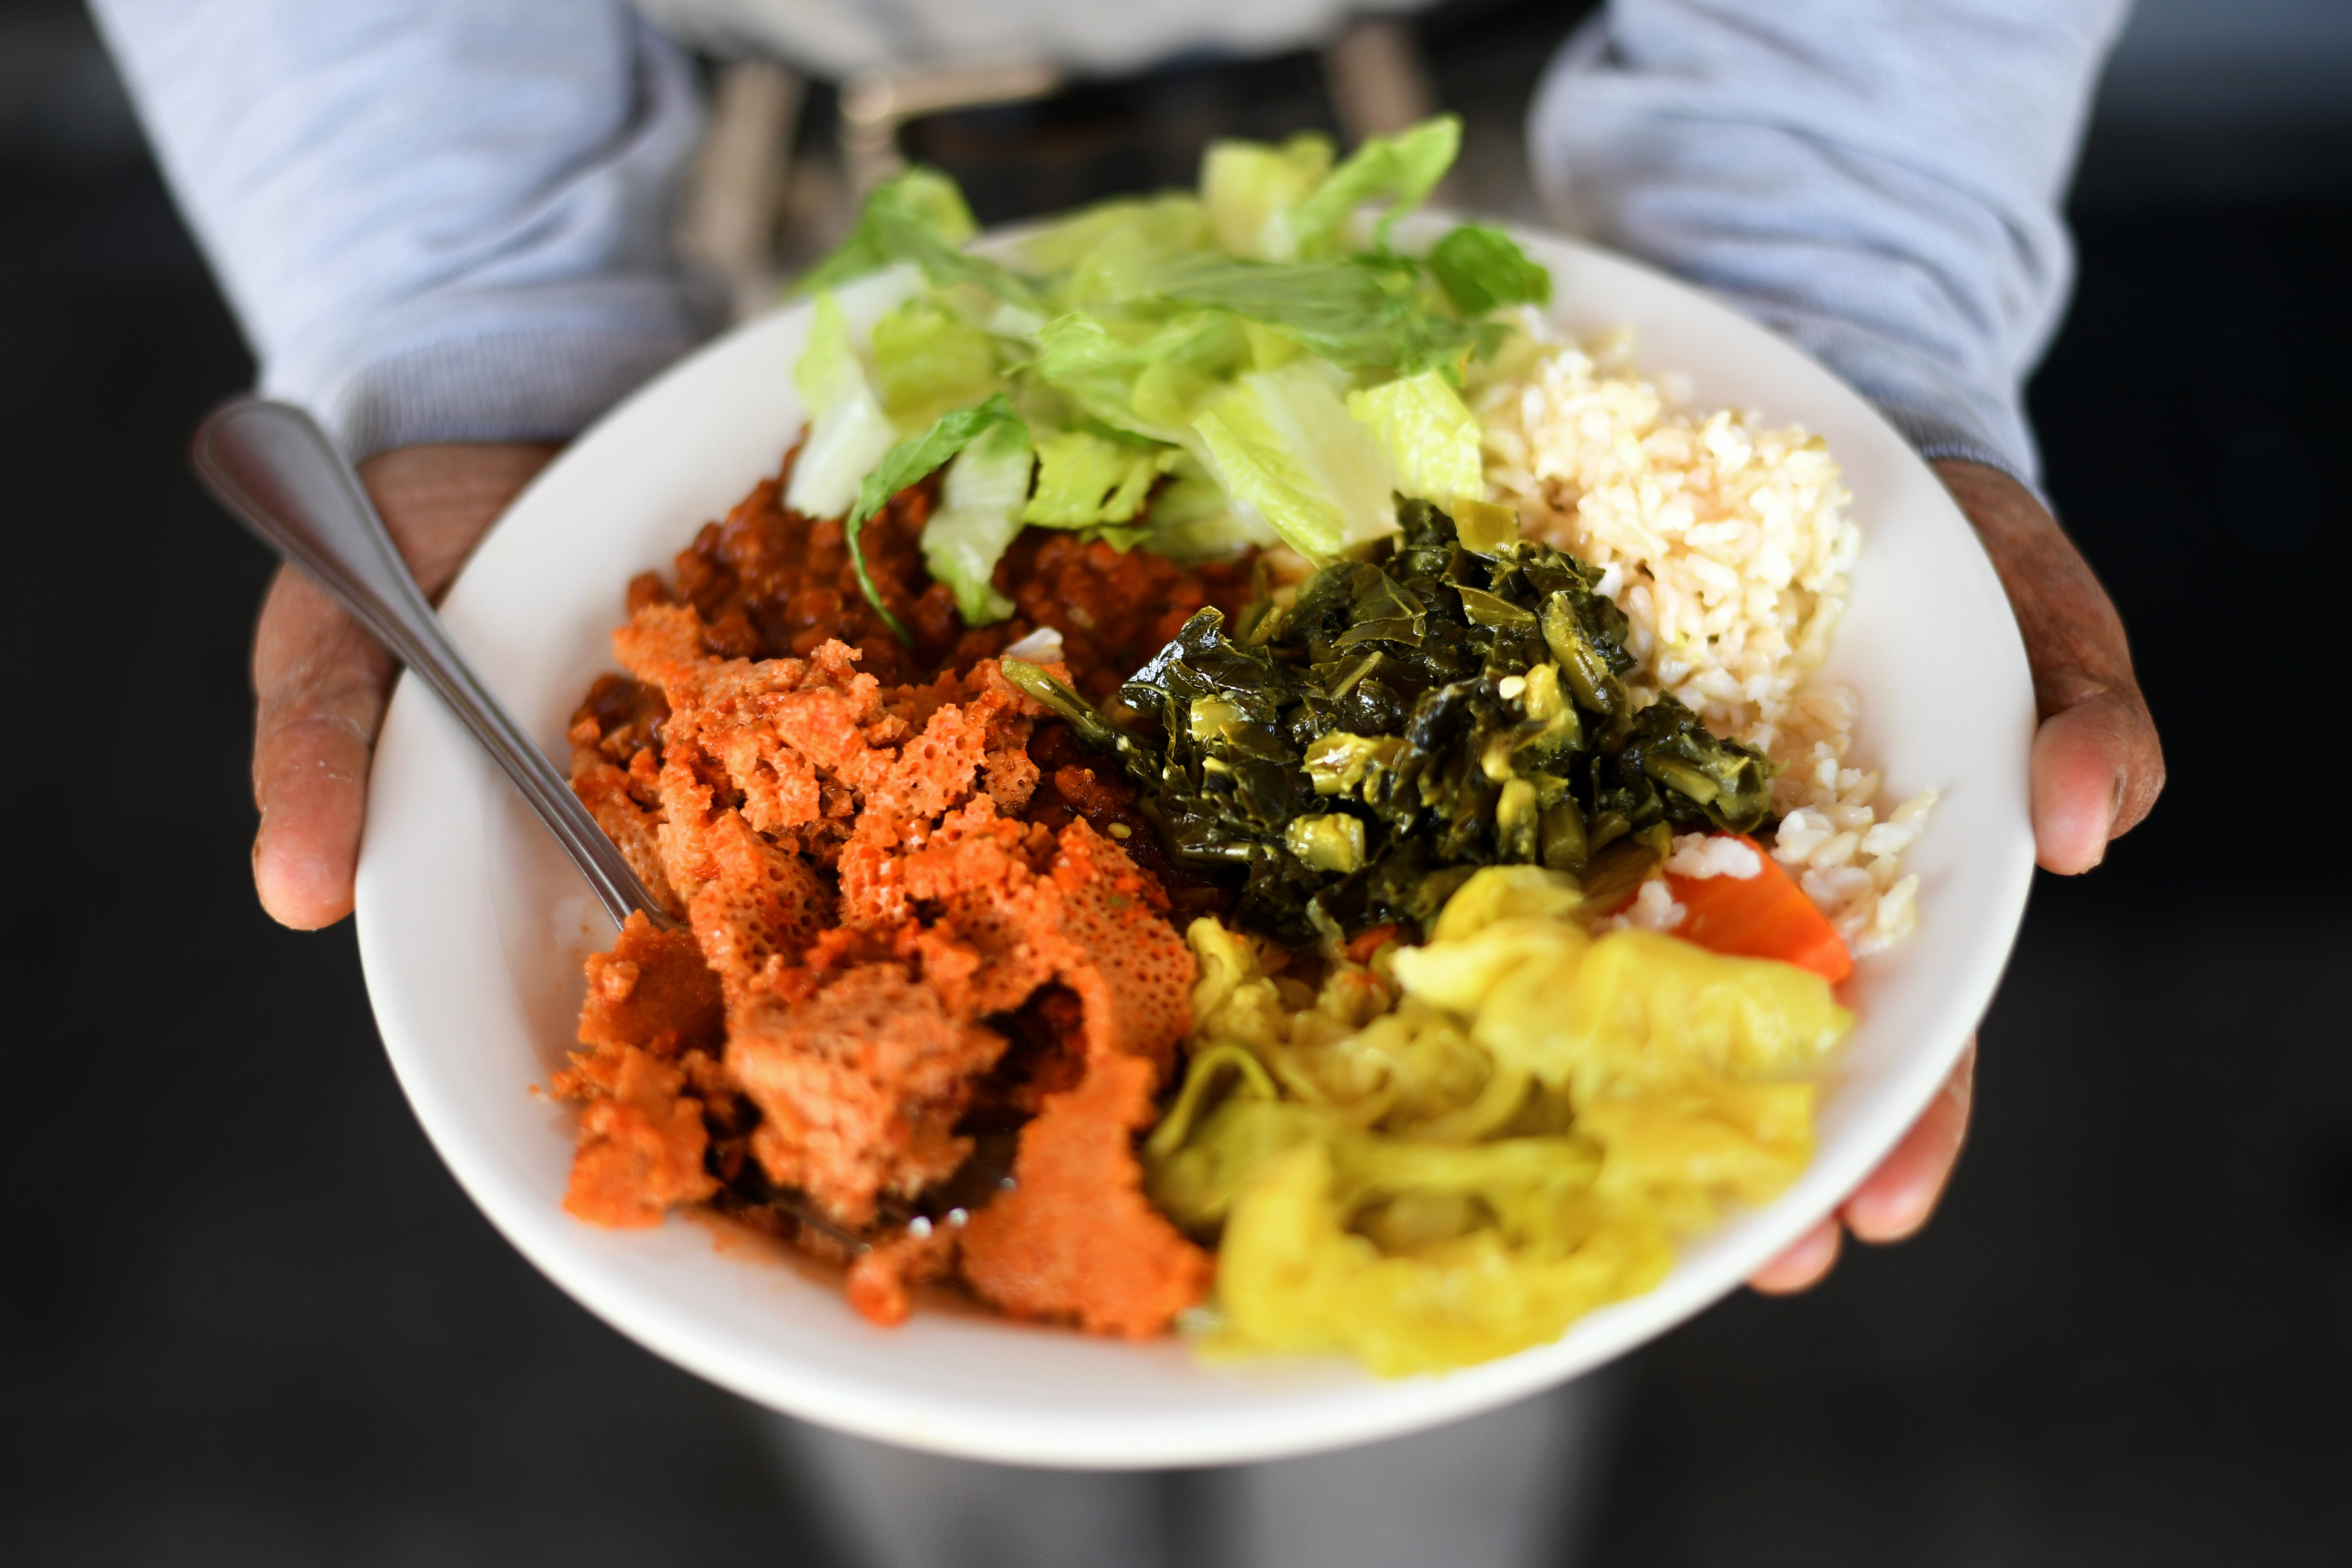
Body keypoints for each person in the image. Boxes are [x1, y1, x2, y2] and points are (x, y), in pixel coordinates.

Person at [89, 2, 2165, 1564]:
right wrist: (466, 307)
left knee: (1429, 1419)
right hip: (734, 264)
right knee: (937, 1448)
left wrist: (1831, 268)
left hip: (1542, 225)